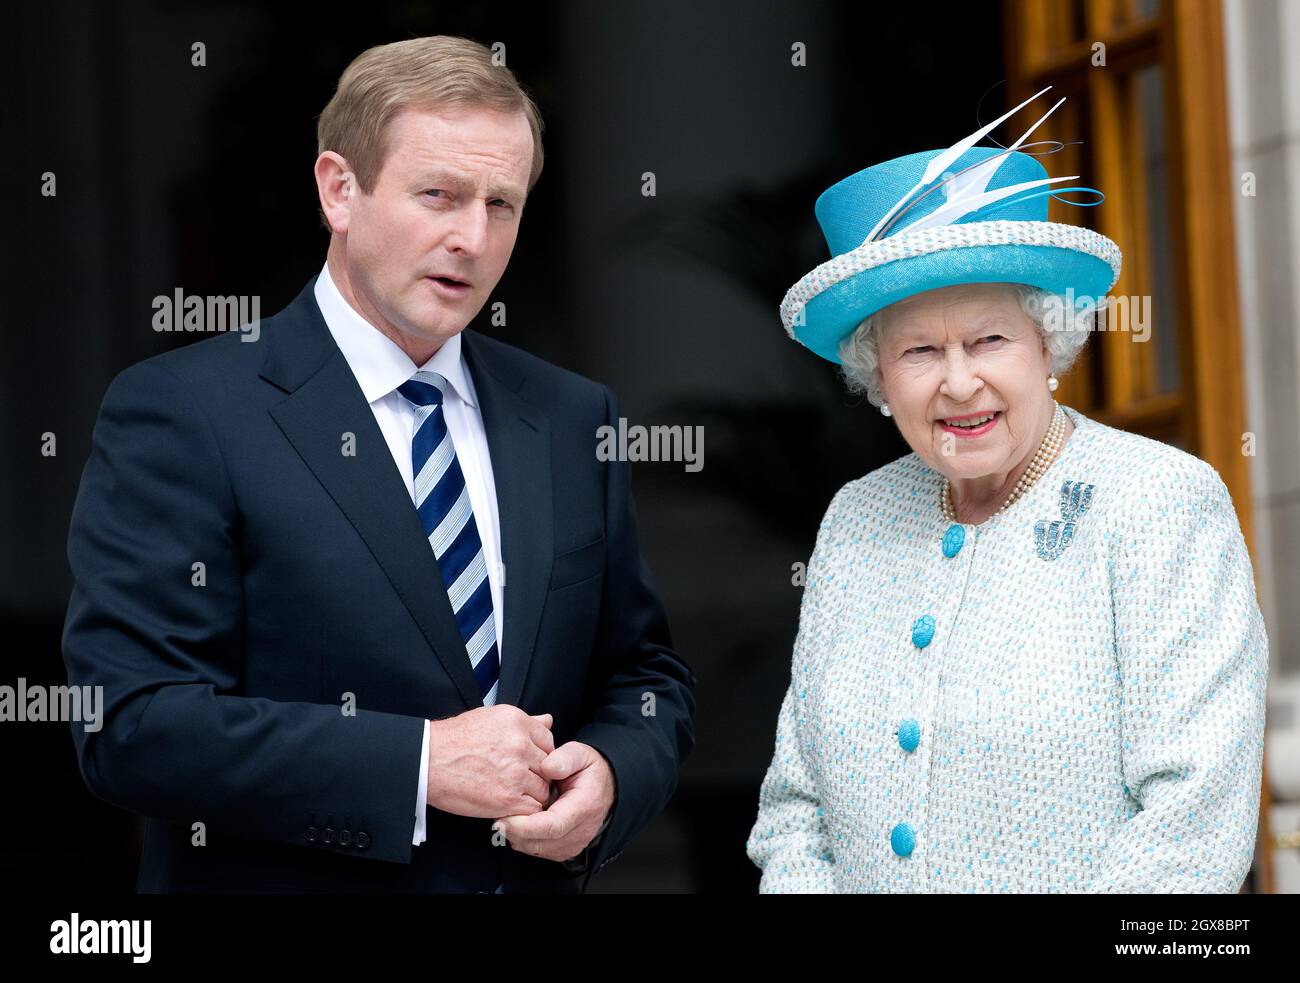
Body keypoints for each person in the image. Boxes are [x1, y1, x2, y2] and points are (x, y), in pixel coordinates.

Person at [61, 35, 695, 894]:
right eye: (438, 194)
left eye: (501, 204)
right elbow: (131, 724)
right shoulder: (183, 412)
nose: (471, 237)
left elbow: (643, 675)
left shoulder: (573, 416)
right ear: (339, 190)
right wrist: (421, 763)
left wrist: (612, 775)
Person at [746, 89, 1269, 893]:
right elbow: (794, 811)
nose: (960, 382)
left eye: (989, 338)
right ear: (876, 374)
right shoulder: (857, 518)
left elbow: (1192, 827)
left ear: (1047, 340)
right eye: (918, 350)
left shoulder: (1158, 501)